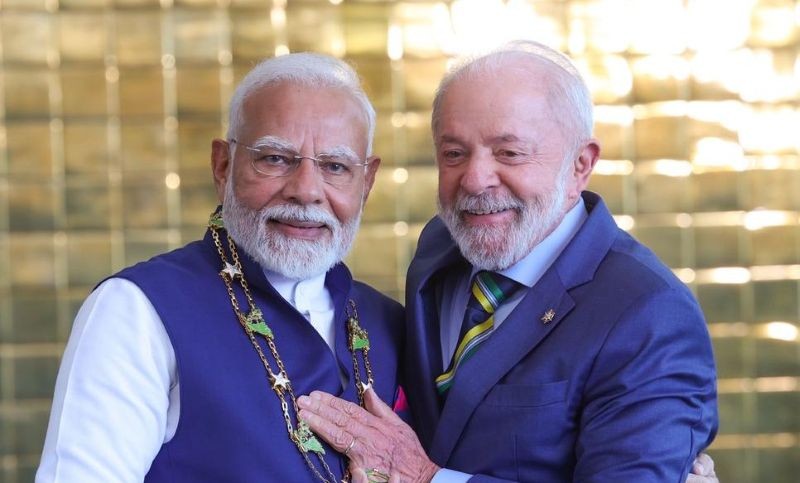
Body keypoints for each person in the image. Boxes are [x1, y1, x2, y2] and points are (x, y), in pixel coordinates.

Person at [298, 41, 719, 482]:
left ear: (580, 165)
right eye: (454, 153)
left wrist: (426, 477)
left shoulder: (650, 314)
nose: (475, 180)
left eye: (510, 153)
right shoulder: (441, 247)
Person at [35, 52, 405, 482]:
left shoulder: (392, 323)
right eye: (275, 158)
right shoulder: (135, 309)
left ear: (367, 182)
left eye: (335, 166)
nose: (306, 191)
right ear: (223, 166)